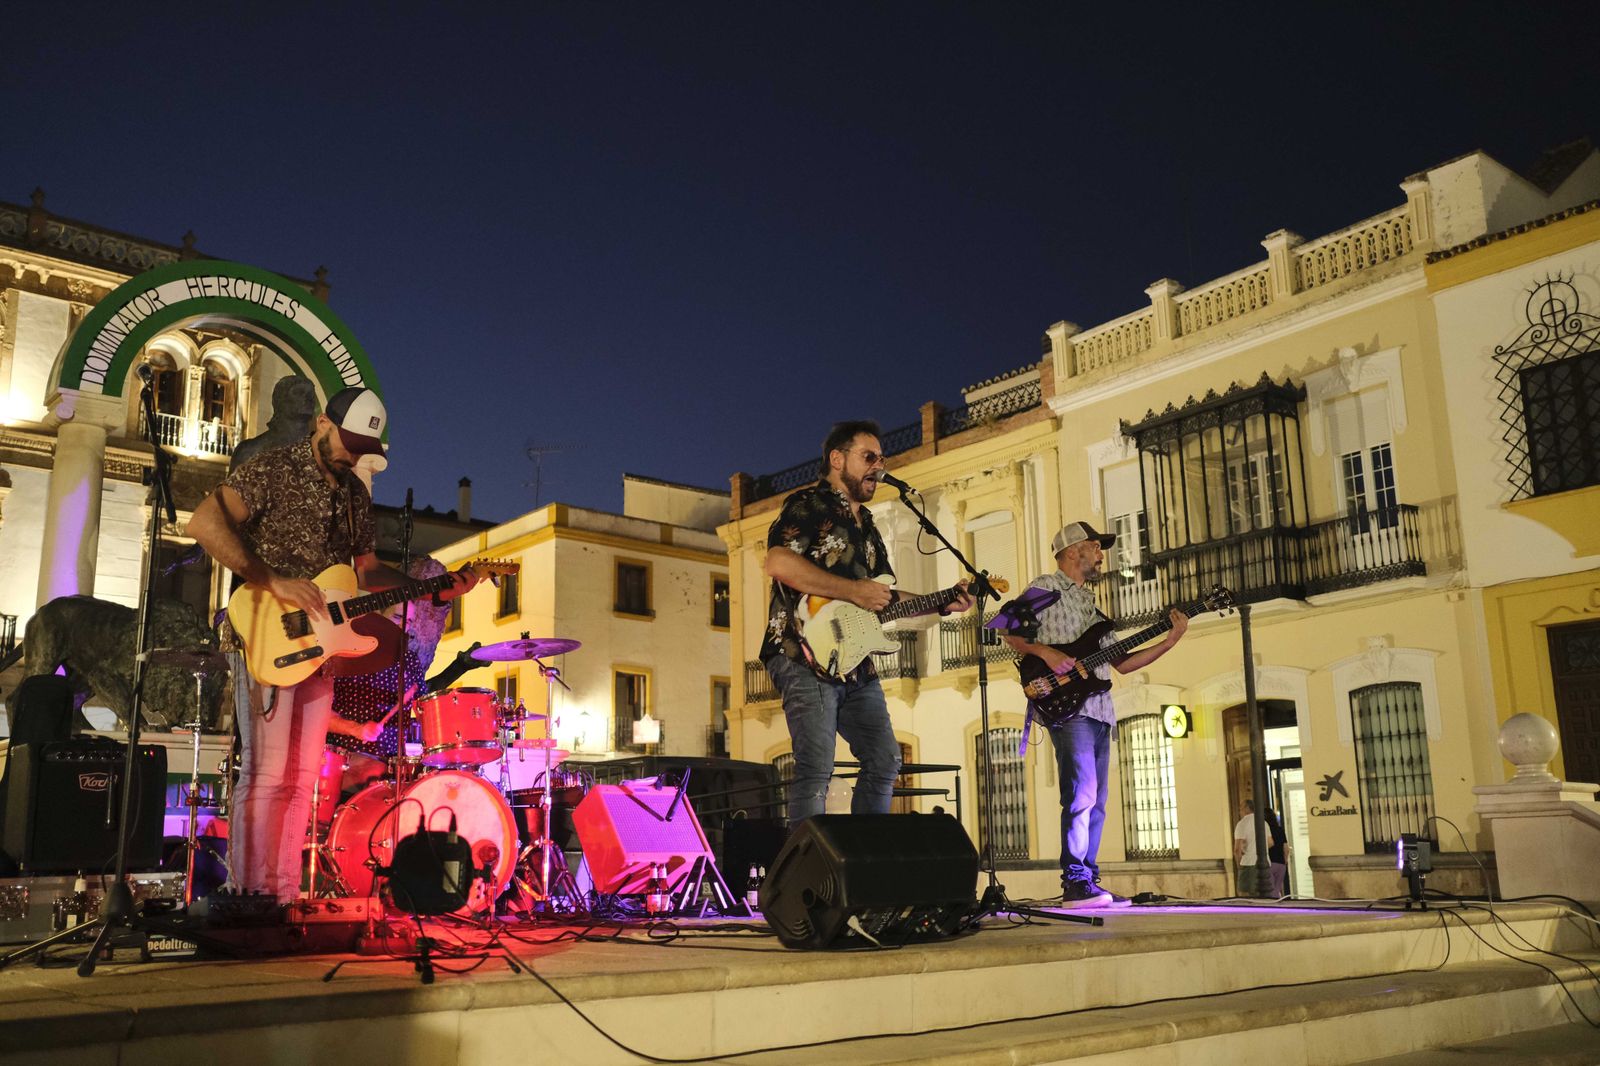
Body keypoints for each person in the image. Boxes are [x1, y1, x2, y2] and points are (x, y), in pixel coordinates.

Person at [186, 387, 477, 905]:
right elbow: (204, 522)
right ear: (322, 422)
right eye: (347, 441)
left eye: (363, 448)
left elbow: (365, 571)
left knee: (300, 778)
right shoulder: (273, 470)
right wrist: (272, 579)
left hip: (324, 649)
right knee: (265, 771)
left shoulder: (353, 496)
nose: (352, 454)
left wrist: (435, 587)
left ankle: (281, 895)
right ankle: (247, 892)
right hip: (266, 633)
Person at [760, 420, 974, 824]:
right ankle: (804, 875)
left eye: (882, 458)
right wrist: (851, 590)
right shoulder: (808, 504)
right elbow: (778, 562)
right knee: (816, 767)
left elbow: (884, 597)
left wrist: (942, 603)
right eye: (869, 456)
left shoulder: (869, 526)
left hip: (855, 662)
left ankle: (864, 861)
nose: (879, 465)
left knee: (885, 759)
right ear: (837, 459)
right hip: (802, 652)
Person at [1001, 522, 1188, 908]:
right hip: (1068, 707)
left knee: (1098, 799)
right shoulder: (1046, 588)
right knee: (1081, 794)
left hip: (1101, 710)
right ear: (1073, 551)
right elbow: (1008, 630)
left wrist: (1171, 641)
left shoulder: (1094, 608)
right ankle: (1074, 881)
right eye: (1094, 546)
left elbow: (1123, 663)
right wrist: (1046, 653)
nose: (1102, 554)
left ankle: (1089, 878)